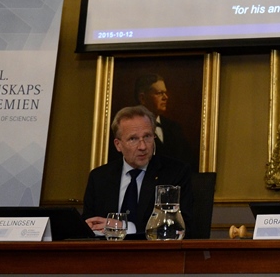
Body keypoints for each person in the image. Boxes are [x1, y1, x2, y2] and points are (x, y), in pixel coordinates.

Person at [83, 105, 194, 239]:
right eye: (133, 139)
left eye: (147, 136)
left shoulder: (175, 173)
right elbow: (88, 227)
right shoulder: (99, 177)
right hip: (107, 256)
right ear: (118, 145)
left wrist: (124, 227)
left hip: (156, 255)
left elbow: (176, 227)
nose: (143, 146)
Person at [134, 73, 197, 167]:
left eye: (165, 93)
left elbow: (189, 162)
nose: (165, 97)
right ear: (142, 98)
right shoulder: (129, 127)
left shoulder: (174, 128)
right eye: (159, 93)